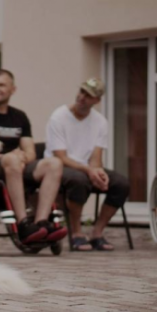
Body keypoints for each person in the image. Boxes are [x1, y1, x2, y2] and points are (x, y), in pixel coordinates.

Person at [0, 69, 67, 244]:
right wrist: (10, 156)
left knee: (54, 163)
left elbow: (29, 151)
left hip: (16, 165)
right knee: (12, 159)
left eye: (1, 85)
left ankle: (41, 223)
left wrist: (22, 157)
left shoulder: (19, 117)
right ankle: (23, 225)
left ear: (12, 89)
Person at [45, 78, 130, 251]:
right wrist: (89, 171)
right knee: (79, 181)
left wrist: (98, 172)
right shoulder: (58, 117)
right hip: (60, 167)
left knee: (121, 183)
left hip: (86, 167)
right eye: (82, 91)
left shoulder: (100, 121)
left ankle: (97, 233)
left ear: (96, 101)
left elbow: (96, 155)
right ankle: (76, 233)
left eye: (88, 95)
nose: (82, 97)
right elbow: (60, 156)